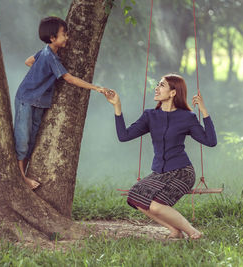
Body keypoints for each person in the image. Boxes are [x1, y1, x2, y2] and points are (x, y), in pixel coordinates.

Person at [105, 74, 217, 240]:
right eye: (157, 85)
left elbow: (210, 141)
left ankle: (193, 232)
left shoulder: (187, 117)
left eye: (162, 85)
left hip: (182, 171)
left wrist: (204, 111)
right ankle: (174, 230)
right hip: (159, 172)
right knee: (135, 197)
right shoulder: (150, 116)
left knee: (156, 207)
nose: (156, 88)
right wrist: (117, 107)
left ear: (173, 93)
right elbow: (124, 136)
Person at [14, 17, 109, 189]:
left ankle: (24, 173)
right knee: (23, 138)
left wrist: (41, 75)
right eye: (64, 34)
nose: (67, 38)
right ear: (52, 38)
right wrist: (96, 88)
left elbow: (29, 61)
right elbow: (69, 79)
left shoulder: (47, 53)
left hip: (39, 101)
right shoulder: (50, 56)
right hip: (26, 99)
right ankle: (21, 177)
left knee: (32, 138)